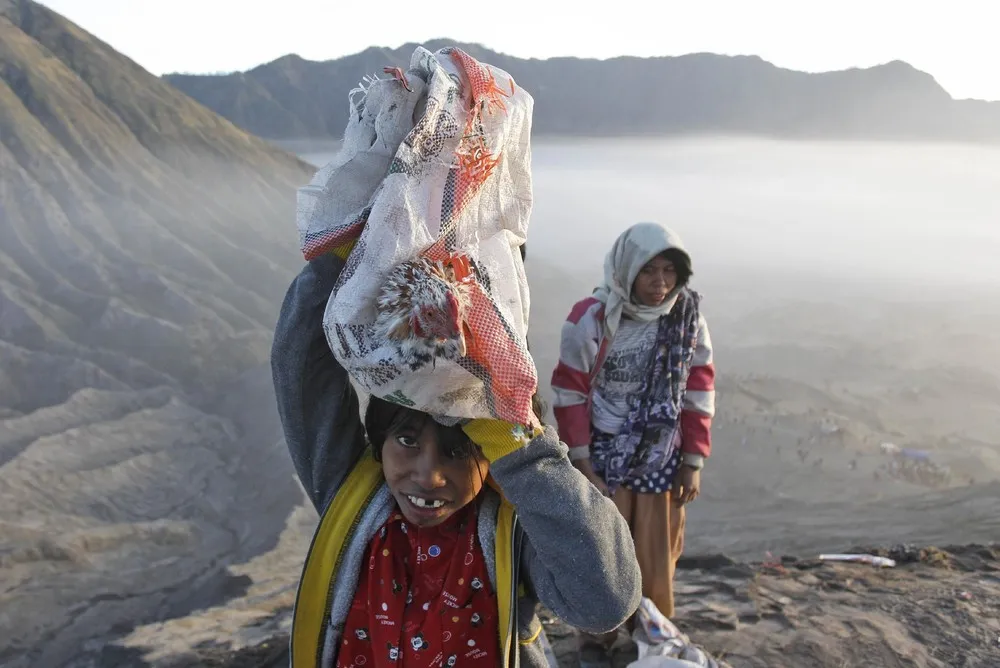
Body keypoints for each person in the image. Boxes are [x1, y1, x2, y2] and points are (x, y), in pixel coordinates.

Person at [271, 249, 642, 668]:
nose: (429, 476)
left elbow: (606, 601)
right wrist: (355, 255)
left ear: (492, 455)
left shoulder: (512, 534)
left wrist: (518, 446)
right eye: (407, 440)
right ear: (378, 442)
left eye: (459, 450)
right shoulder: (355, 505)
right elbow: (300, 363)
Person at [551, 222, 715, 649]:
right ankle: (597, 641)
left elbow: (699, 388)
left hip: (661, 457)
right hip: (603, 454)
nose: (660, 283)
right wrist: (584, 467)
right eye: (648, 271)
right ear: (626, 269)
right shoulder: (591, 319)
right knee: (602, 554)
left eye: (669, 271)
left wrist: (692, 461)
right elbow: (569, 393)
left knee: (655, 555)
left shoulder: (686, 318)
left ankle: (649, 636)